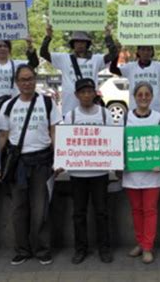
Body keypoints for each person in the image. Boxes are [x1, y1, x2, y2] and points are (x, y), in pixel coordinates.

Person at [0, 64, 61, 266]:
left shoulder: (48, 103)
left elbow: (54, 132)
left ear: (35, 80)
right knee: (19, 209)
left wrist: (59, 159)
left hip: (42, 162)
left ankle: (42, 249)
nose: (27, 83)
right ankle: (22, 250)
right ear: (17, 83)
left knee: (40, 209)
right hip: (18, 165)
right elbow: (3, 136)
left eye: (30, 79)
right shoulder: (8, 106)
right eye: (23, 80)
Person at [63, 78, 115, 265]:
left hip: (99, 173)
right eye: (82, 92)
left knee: (101, 212)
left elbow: (113, 140)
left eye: (89, 92)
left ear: (94, 93)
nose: (86, 95)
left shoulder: (104, 114)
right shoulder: (71, 116)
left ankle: (104, 249)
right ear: (77, 95)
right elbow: (65, 142)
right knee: (79, 214)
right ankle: (80, 249)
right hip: (77, 174)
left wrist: (115, 165)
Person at [123, 82, 160, 264]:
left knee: (150, 211)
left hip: (152, 175)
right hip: (131, 173)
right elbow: (120, 144)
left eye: (147, 94)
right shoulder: (125, 118)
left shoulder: (159, 119)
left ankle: (148, 247)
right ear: (134, 96)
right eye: (140, 94)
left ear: (152, 97)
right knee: (136, 211)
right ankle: (140, 242)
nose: (143, 97)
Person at [40, 25, 118, 116]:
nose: (79, 44)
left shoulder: (96, 59)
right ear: (73, 44)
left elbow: (113, 54)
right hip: (69, 108)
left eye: (82, 42)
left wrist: (108, 36)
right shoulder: (63, 58)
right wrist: (48, 36)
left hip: (91, 107)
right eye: (77, 42)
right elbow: (43, 53)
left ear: (87, 44)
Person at [0, 38, 39, 114]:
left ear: (9, 49)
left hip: (12, 103)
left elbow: (34, 63)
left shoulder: (17, 64)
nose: (2, 48)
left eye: (5, 46)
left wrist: (30, 45)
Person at [110, 44, 160, 114]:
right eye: (143, 49)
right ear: (138, 51)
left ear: (152, 52)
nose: (146, 52)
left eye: (148, 50)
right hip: (135, 112)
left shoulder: (158, 67)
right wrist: (117, 53)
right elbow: (113, 69)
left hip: (155, 112)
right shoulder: (130, 67)